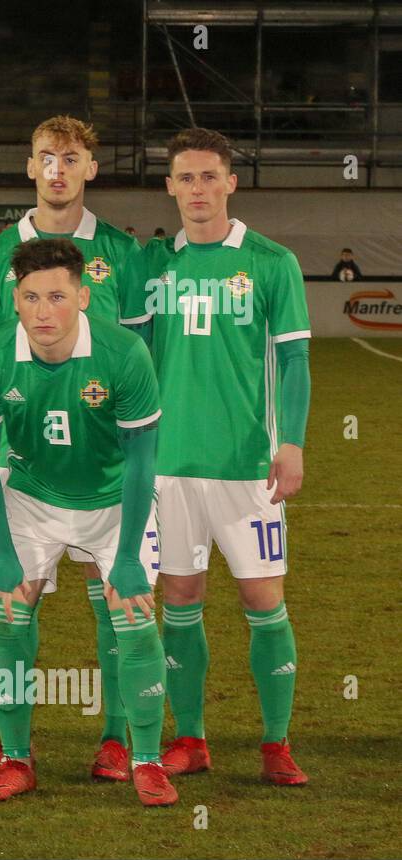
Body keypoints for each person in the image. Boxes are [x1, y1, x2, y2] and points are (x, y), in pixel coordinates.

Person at [0, 239, 173, 806]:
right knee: (6, 611)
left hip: (113, 502)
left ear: (82, 296)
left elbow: (140, 462)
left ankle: (147, 759)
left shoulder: (124, 352)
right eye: (30, 296)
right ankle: (16, 756)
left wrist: (127, 556)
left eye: (57, 295)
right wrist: (3, 552)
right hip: (31, 497)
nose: (43, 310)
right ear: (15, 300)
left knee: (132, 615)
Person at [0, 115, 150, 783]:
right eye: (46, 156)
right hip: (25, 458)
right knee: (17, 595)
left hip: (104, 453)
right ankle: (16, 744)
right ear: (30, 166)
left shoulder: (121, 251)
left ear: (89, 169)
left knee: (113, 595)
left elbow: (138, 351)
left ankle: (114, 735)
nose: (57, 168)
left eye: (70, 157)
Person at [144, 127, 311, 785]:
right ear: (169, 186)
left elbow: (295, 358)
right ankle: (190, 738)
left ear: (231, 183)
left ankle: (276, 743)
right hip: (168, 466)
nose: (198, 189)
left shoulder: (272, 262)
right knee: (179, 597)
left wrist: (291, 441)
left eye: (210, 176)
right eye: (185, 177)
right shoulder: (154, 264)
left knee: (263, 598)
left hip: (247, 468)